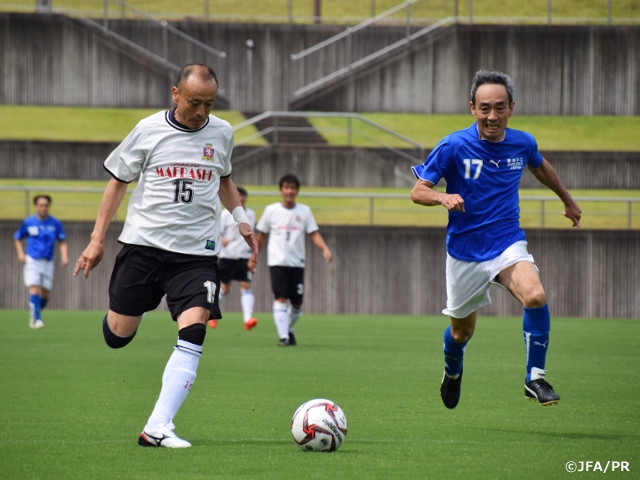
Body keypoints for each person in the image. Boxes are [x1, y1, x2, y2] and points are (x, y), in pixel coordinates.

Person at [73, 63, 258, 448]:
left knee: (194, 329)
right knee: (118, 336)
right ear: (175, 94)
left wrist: (240, 218)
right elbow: (116, 184)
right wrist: (96, 240)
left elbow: (224, 178)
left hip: (197, 255)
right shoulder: (148, 129)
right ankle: (117, 321)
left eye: (209, 104)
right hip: (144, 247)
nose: (202, 112)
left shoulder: (222, 133)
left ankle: (158, 426)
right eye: (195, 103)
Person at [410, 70, 582, 409]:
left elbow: (539, 165)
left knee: (535, 295)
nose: (493, 116)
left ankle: (535, 378)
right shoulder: (454, 145)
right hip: (464, 252)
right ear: (472, 108)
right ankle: (453, 368)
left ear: (512, 108)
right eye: (485, 108)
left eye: (500, 107)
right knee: (461, 333)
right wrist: (443, 198)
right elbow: (417, 191)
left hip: (507, 242)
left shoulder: (523, 142)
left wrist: (567, 199)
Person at [254, 173, 332, 346]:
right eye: (286, 188)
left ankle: (286, 329)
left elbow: (313, 233)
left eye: (293, 188)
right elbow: (261, 236)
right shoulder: (271, 211)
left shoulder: (304, 211)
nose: (289, 191)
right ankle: (284, 337)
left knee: (297, 305)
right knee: (281, 298)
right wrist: (254, 256)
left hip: (297, 263)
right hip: (277, 262)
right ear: (281, 190)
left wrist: (325, 248)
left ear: (297, 191)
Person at [14, 195, 69, 329]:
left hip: (48, 261)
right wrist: (21, 253)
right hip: (32, 259)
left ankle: (36, 313)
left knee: (45, 293)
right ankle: (37, 319)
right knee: (34, 286)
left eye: (46, 205)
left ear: (49, 206)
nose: (43, 208)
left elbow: (62, 241)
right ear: (36, 206)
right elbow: (18, 237)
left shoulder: (55, 223)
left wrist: (64, 256)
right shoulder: (28, 222)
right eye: (41, 205)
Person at [208, 186, 258, 331]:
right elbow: (216, 231)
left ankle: (248, 319)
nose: (241, 199)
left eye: (243, 196)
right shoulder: (224, 215)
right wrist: (222, 239)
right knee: (224, 287)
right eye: (238, 195)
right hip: (228, 255)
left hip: (244, 255)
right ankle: (213, 314)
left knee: (246, 285)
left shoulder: (251, 214)